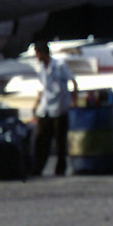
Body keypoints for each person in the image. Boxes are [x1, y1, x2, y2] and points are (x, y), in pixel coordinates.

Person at [32, 40, 75, 176]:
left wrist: (73, 101)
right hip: (46, 107)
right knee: (41, 139)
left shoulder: (60, 65)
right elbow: (43, 88)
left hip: (59, 107)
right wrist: (36, 104)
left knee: (59, 141)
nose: (36, 57)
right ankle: (38, 167)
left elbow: (73, 81)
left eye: (37, 54)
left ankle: (60, 169)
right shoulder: (41, 68)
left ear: (42, 53)